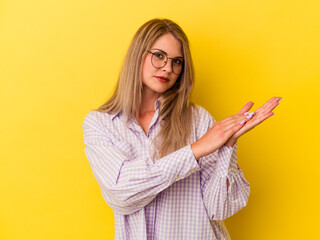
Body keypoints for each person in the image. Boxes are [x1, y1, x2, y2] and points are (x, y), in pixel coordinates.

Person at [82, 18, 281, 240]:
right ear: (137, 54)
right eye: (159, 56)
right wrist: (194, 151)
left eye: (177, 61)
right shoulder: (100, 124)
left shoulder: (199, 120)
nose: (168, 68)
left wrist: (227, 147)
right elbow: (121, 193)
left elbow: (219, 209)